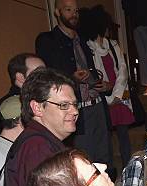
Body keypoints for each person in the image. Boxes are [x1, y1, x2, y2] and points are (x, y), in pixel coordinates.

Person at [35, 0, 112, 170]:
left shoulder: (83, 39)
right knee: (84, 163)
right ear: (57, 13)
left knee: (105, 160)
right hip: (77, 111)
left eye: (76, 10)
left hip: (97, 105)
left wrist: (103, 84)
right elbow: (47, 77)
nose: (74, 14)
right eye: (68, 10)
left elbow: (95, 70)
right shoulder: (48, 40)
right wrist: (71, 78)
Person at [81, 5, 134, 167]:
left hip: (118, 97)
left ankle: (128, 168)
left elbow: (123, 71)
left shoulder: (113, 45)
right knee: (106, 136)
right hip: (103, 98)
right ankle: (108, 169)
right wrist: (109, 97)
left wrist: (116, 95)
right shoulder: (88, 47)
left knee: (123, 134)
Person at [0, 53, 44, 147]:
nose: (47, 77)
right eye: (39, 73)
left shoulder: (34, 100)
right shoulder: (13, 106)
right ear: (20, 78)